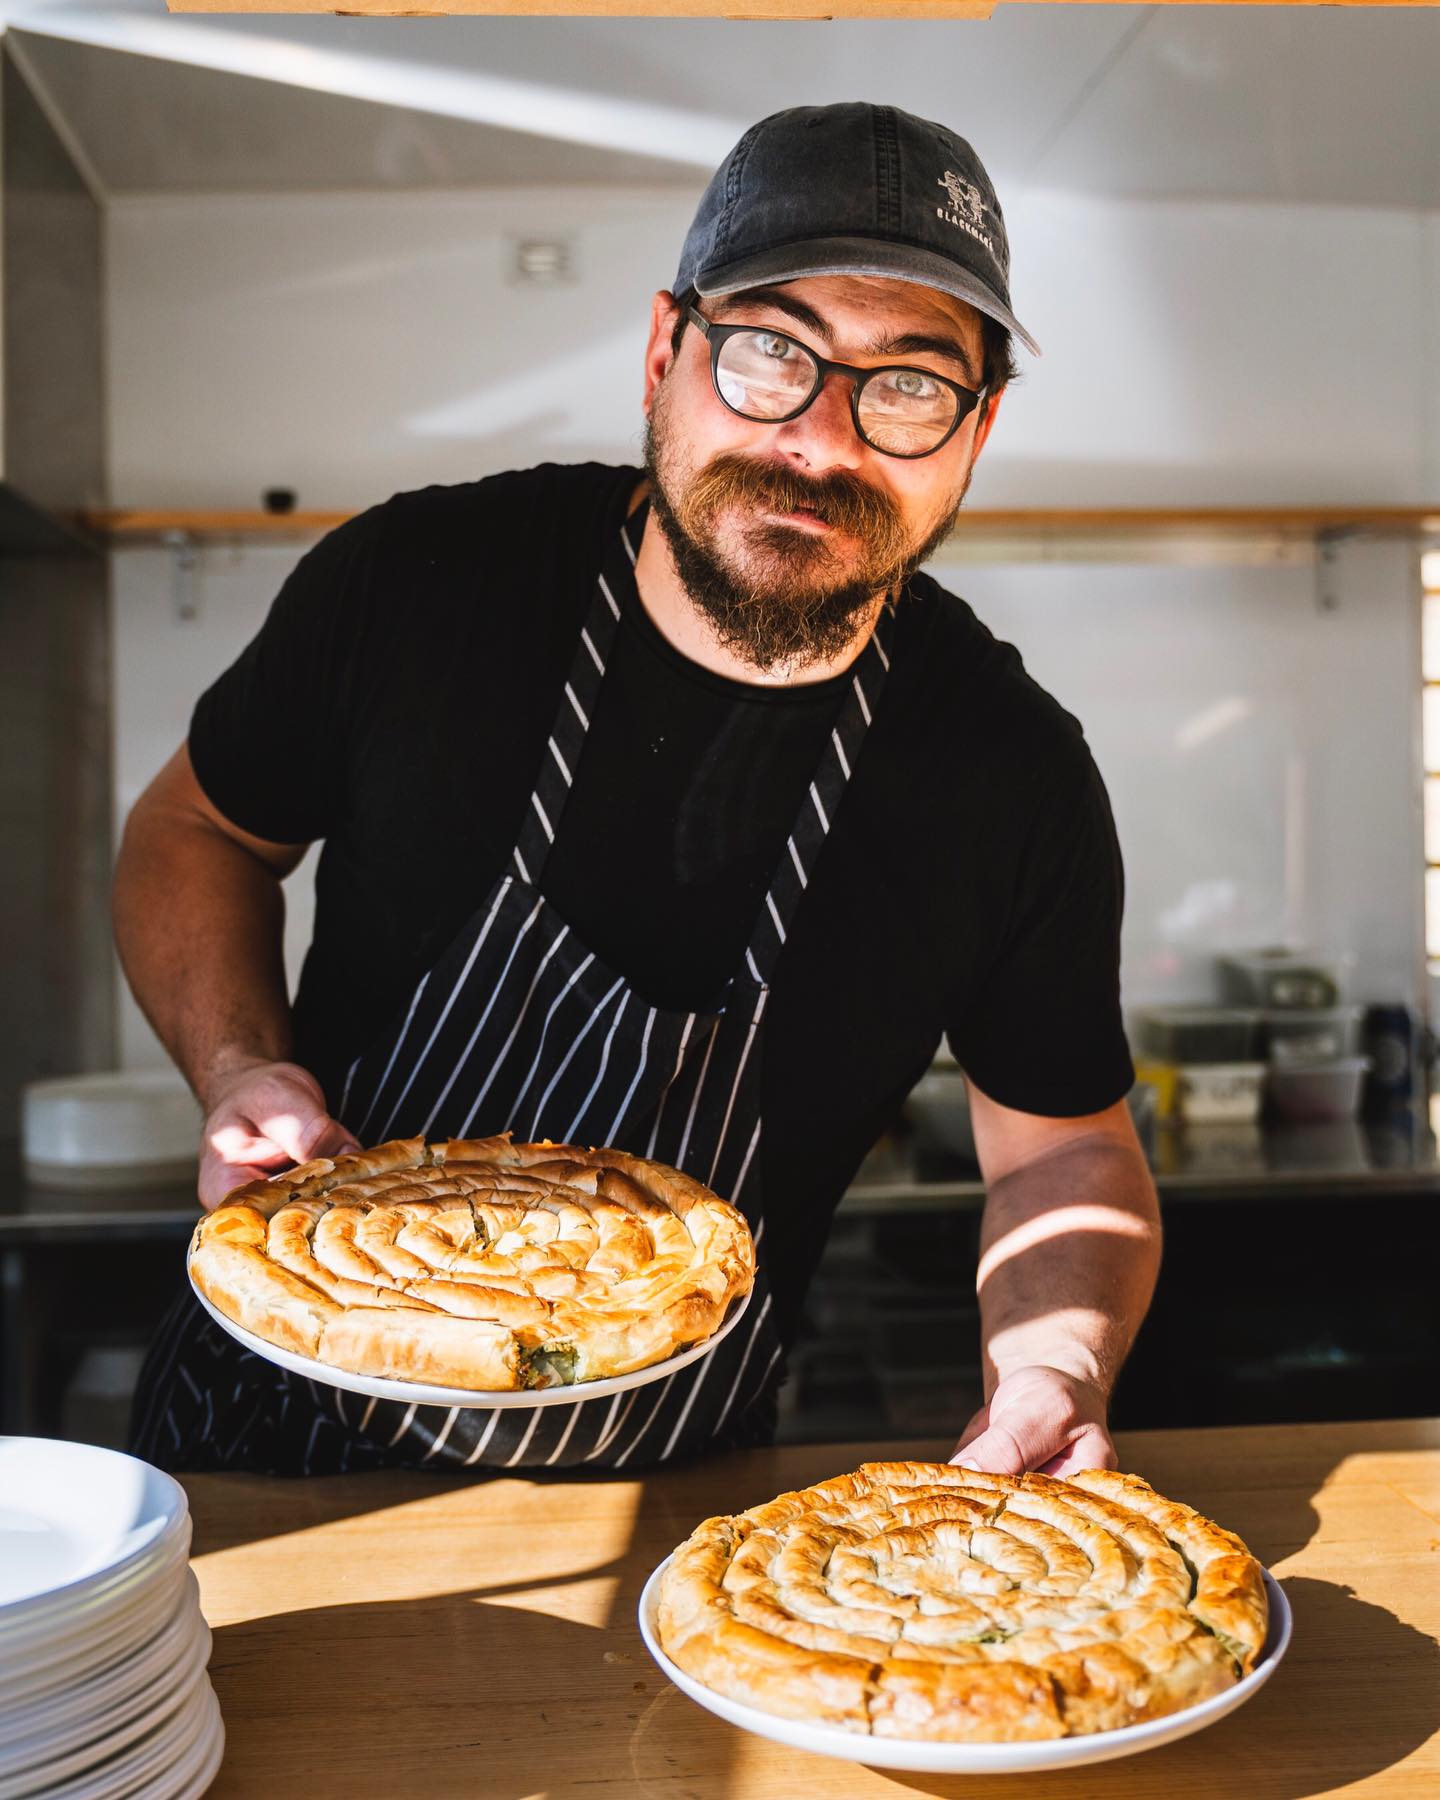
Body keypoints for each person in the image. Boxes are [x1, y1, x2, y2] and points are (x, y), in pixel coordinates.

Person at [116, 101, 1160, 1478]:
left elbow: (1064, 1155)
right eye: (770, 351)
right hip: (263, 1443)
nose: (822, 441)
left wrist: (1053, 1368)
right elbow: (195, 830)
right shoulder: (419, 588)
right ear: (667, 351)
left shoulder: (1009, 776)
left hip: (668, 1509)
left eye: (910, 386)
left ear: (979, 429)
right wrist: (242, 1065)